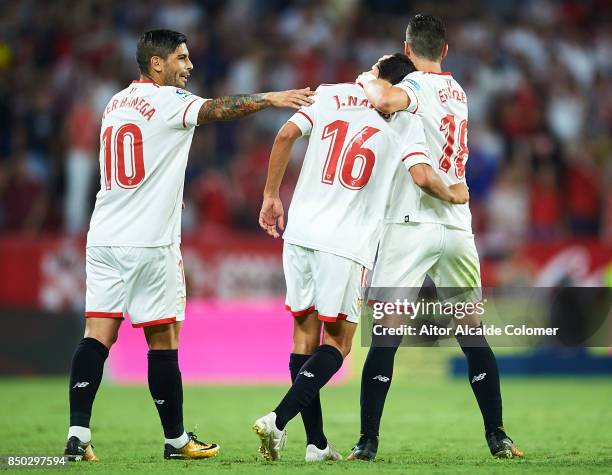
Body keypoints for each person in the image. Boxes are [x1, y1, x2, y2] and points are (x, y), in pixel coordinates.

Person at [63, 29, 314, 462]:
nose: (189, 65)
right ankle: (176, 441)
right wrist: (273, 98)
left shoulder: (115, 102)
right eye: (181, 58)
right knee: (162, 338)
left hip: (103, 234)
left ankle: (77, 434)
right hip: (149, 241)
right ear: (156, 64)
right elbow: (219, 109)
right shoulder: (170, 103)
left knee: (96, 335)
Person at [254, 54, 469, 462]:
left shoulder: (332, 94)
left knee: (304, 335)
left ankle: (316, 445)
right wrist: (455, 193)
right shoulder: (406, 120)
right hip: (345, 240)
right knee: (340, 343)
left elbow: (284, 136)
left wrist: (269, 195)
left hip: (299, 232)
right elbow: (422, 177)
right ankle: (277, 420)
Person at [349, 14, 524, 460]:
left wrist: (366, 78)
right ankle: (497, 435)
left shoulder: (415, 89)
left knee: (386, 334)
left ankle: (367, 442)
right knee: (472, 333)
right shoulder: (459, 91)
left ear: (408, 51)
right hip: (457, 225)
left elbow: (386, 101)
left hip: (412, 222)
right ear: (445, 50)